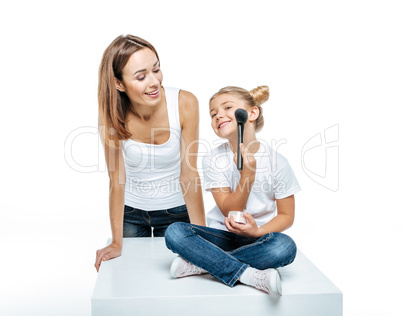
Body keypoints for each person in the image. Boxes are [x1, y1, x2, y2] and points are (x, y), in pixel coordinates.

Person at [165, 85, 301, 295]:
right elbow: (230, 210)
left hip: (259, 239)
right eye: (213, 114)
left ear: (252, 113)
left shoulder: (278, 163)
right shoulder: (213, 158)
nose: (219, 115)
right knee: (175, 231)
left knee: (285, 247)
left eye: (227, 107)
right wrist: (247, 176)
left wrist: (257, 231)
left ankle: (204, 264)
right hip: (221, 237)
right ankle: (248, 274)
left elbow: (286, 215)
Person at [95, 35, 206, 272]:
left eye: (156, 69)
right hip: (132, 214)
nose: (154, 81)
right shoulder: (113, 115)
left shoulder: (185, 103)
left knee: (179, 282)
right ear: (119, 84)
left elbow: (189, 176)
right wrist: (116, 240)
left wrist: (201, 234)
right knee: (132, 278)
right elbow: (117, 180)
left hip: (177, 213)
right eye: (141, 76)